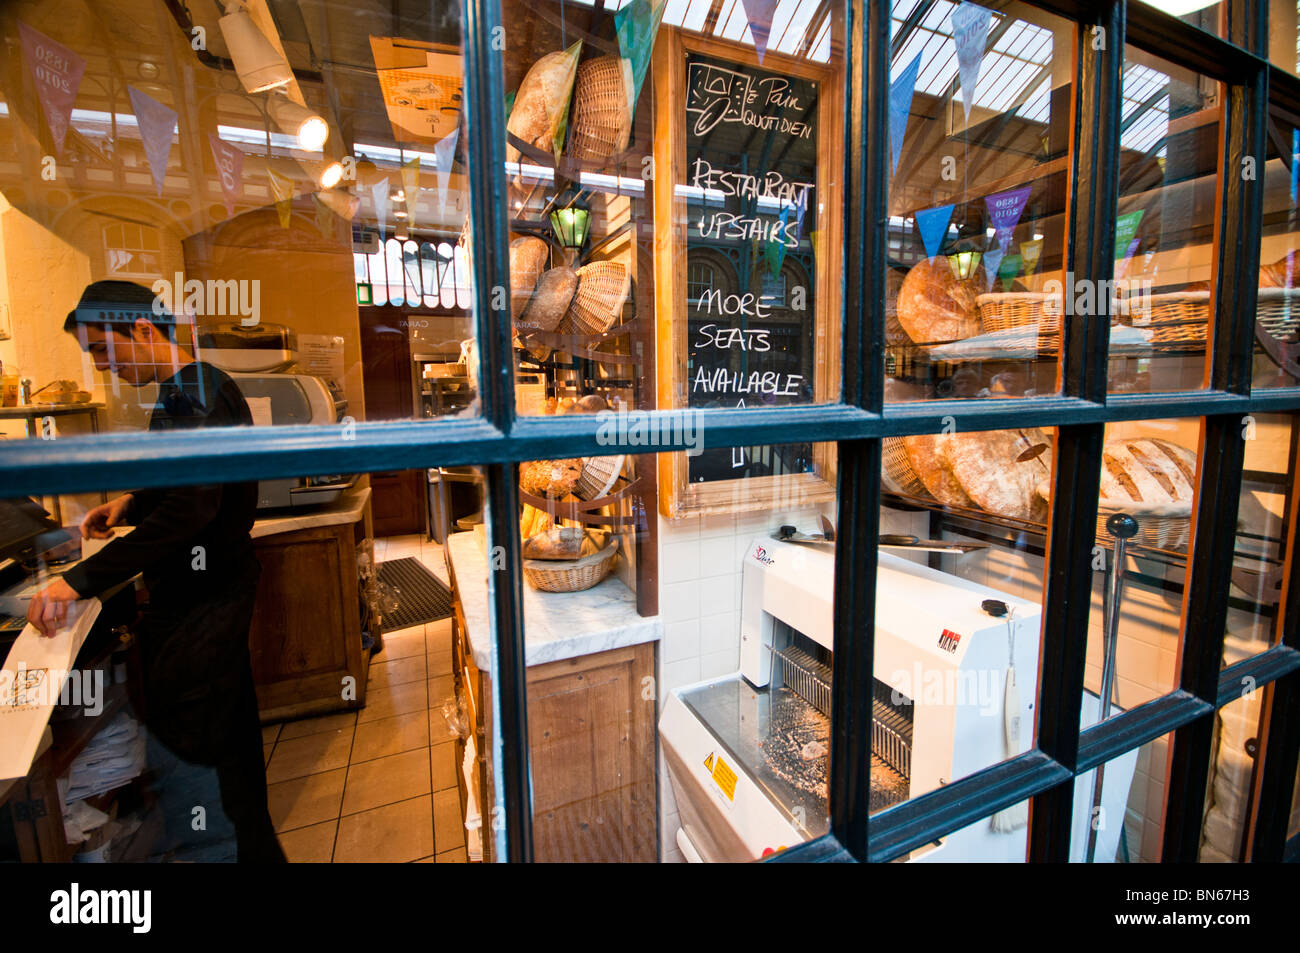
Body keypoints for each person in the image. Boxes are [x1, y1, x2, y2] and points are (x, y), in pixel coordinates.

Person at [26, 279, 285, 863]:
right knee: (229, 755)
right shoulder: (190, 390)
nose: (101, 366)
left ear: (142, 330)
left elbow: (194, 507)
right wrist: (132, 503)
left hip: (203, 606)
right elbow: (185, 488)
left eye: (101, 350)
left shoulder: (192, 394)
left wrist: (78, 580)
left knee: (204, 765)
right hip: (210, 596)